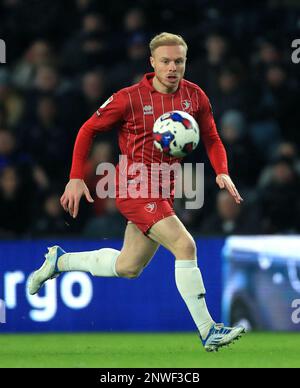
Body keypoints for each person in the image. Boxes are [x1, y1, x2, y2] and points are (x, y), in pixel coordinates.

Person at [28, 32, 245, 352]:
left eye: (179, 61)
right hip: (134, 188)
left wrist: (222, 171)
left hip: (163, 190)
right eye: (166, 61)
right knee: (186, 246)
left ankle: (60, 261)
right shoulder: (128, 98)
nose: (173, 67)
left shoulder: (195, 96)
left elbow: (211, 137)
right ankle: (207, 330)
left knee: (128, 266)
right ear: (152, 63)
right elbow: (88, 129)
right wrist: (76, 177)